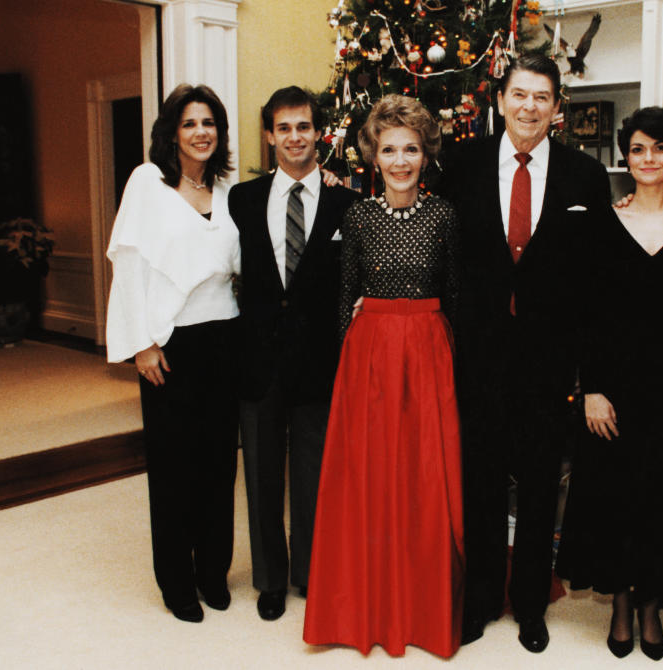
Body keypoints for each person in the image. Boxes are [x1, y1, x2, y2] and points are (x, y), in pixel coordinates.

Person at [439, 54, 611, 653]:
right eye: (520, 94)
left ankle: (532, 603)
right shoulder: (458, 165)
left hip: (548, 361)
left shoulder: (585, 177)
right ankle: (484, 598)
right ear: (500, 99)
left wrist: (587, 368)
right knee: (481, 479)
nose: (529, 106)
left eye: (542, 97)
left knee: (541, 485)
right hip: (478, 355)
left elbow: (593, 279)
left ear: (557, 108)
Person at [555, 107, 663, 661]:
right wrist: (592, 389)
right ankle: (621, 603)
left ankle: (652, 606)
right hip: (615, 391)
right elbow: (585, 314)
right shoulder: (598, 224)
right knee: (614, 499)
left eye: (660, 149)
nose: (648, 160)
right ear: (625, 158)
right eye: (639, 150)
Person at [303, 94, 463, 658]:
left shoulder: (444, 215)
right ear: (373, 155)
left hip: (427, 352)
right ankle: (365, 607)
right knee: (368, 477)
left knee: (424, 477)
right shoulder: (358, 216)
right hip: (368, 355)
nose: (400, 161)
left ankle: (422, 609)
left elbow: (458, 299)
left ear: (426, 156)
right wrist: (353, 368)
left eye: (411, 150)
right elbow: (347, 299)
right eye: (390, 149)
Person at [105, 83, 239, 623]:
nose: (201, 132)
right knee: (173, 465)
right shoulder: (147, 183)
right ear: (172, 132)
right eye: (189, 123)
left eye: (209, 123)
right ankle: (177, 581)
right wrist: (141, 342)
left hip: (225, 336)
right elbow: (130, 266)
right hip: (170, 343)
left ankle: (213, 572)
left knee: (217, 465)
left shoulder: (231, 191)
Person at [228, 86, 359, 621]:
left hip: (320, 362)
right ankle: (271, 580)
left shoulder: (347, 203)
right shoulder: (241, 198)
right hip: (258, 359)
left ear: (318, 132)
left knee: (313, 474)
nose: (294, 137)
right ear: (269, 135)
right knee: (260, 474)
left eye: (303, 126)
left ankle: (309, 570)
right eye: (284, 128)